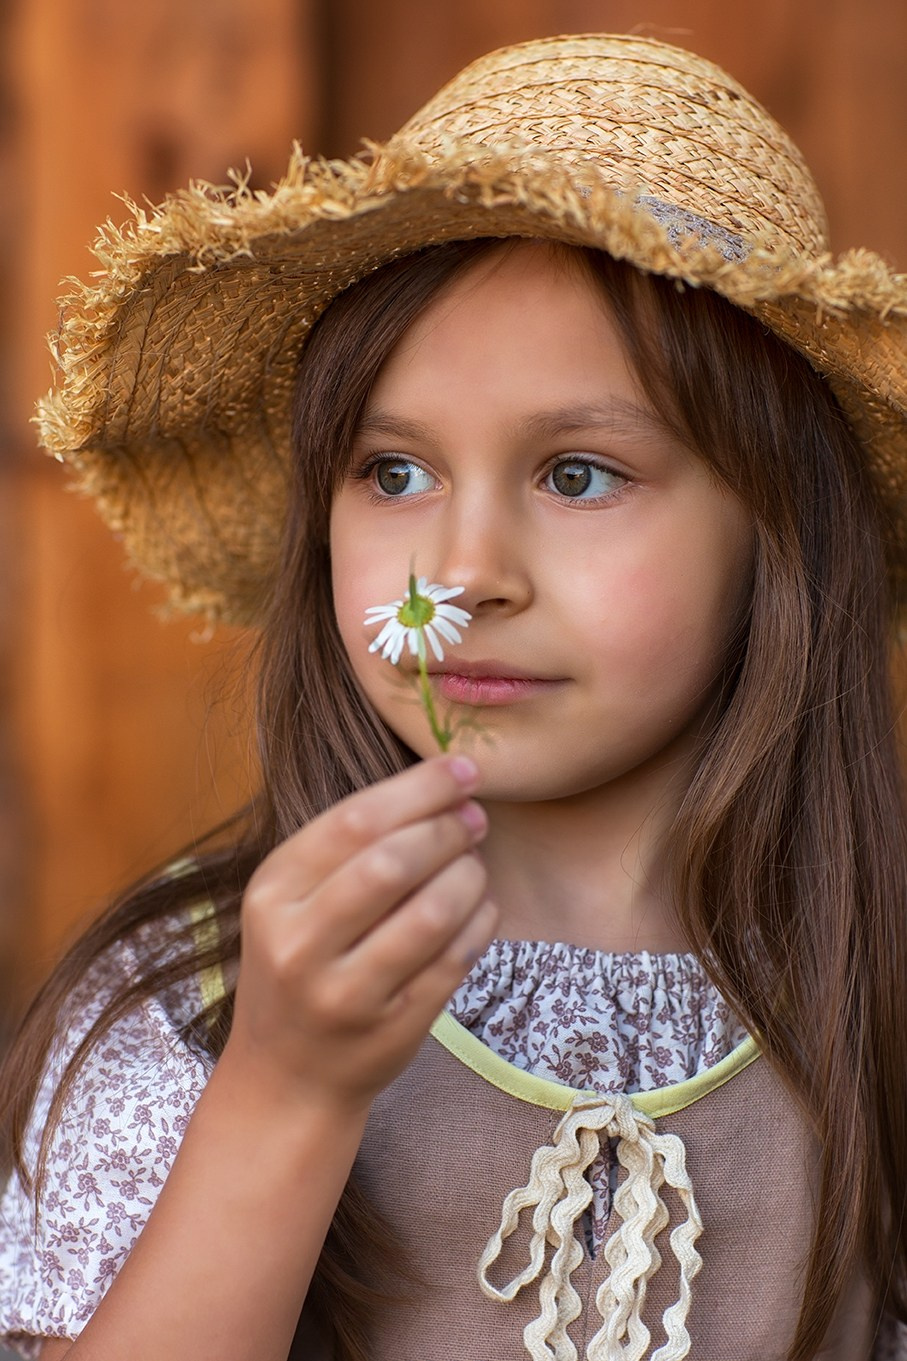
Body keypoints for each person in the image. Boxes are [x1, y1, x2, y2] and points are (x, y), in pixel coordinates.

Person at [1, 31, 905, 1361]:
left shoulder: (871, 999)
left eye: (578, 474)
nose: (464, 575)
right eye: (395, 473)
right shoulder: (192, 1003)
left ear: (778, 536)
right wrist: (286, 1091)